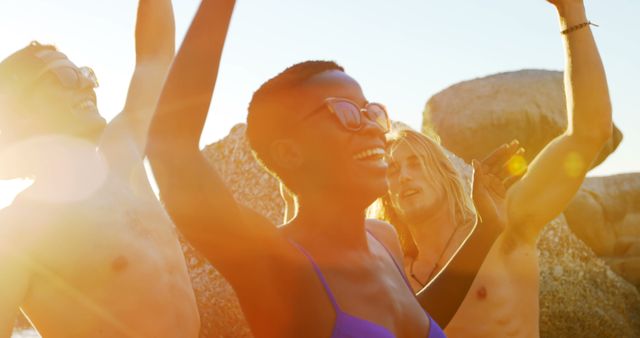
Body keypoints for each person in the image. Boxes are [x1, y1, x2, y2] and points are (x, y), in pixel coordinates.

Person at [147, 1, 517, 337]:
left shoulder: (383, 239)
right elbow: (170, 148)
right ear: (290, 152)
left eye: (372, 111)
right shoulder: (278, 262)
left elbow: (415, 319)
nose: (373, 126)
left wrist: (486, 232)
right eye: (346, 113)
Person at [372, 0, 613, 336]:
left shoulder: (505, 229)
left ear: (445, 173)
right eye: (393, 170)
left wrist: (571, 13)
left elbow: (589, 133)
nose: (405, 176)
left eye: (416, 163)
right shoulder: (389, 271)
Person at [0, 1, 200, 337]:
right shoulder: (17, 230)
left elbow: (156, 56)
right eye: (65, 77)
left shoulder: (123, 155)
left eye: (86, 74)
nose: (86, 85)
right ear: (19, 111)